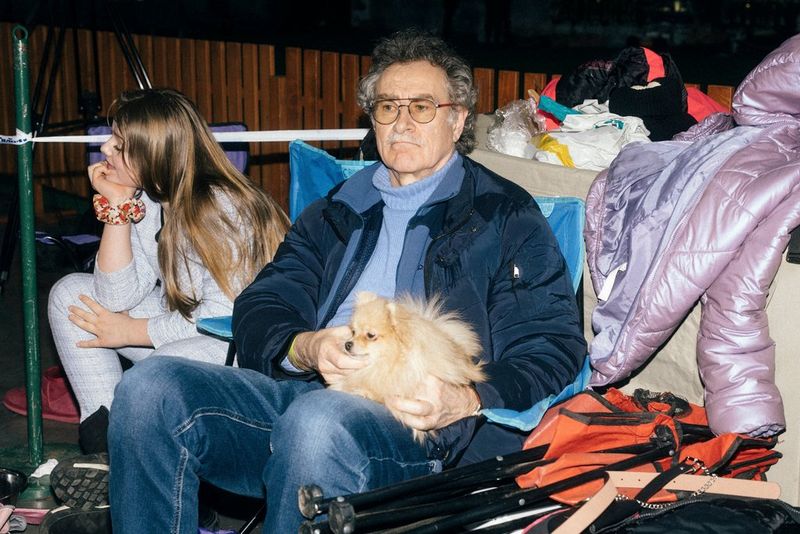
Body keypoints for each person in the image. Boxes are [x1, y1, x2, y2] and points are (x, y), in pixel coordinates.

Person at [107, 29, 586, 533]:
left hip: (419, 426)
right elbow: (263, 301)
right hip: (304, 396)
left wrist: (465, 398)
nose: (402, 122)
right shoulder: (339, 208)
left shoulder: (503, 215)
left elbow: (552, 345)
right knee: (148, 389)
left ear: (458, 118)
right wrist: (305, 346)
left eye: (421, 107)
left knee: (316, 424)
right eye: (387, 107)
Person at [47, 88, 290, 453]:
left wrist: (132, 330)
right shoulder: (152, 195)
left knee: (157, 374)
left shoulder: (220, 209)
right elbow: (116, 297)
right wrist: (118, 206)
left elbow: (225, 314)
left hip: (245, 348)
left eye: (120, 143)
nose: (106, 149)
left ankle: (157, 470)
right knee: (71, 295)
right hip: (191, 326)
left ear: (154, 152)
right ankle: (103, 440)